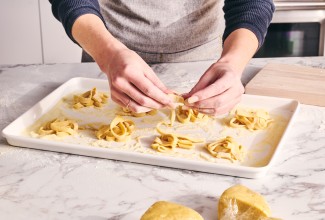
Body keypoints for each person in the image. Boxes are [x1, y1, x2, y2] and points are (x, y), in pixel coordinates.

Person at [50, 0, 275, 115]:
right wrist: (107, 55)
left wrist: (232, 64)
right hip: (107, 53)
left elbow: (251, 3)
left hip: (202, 63)